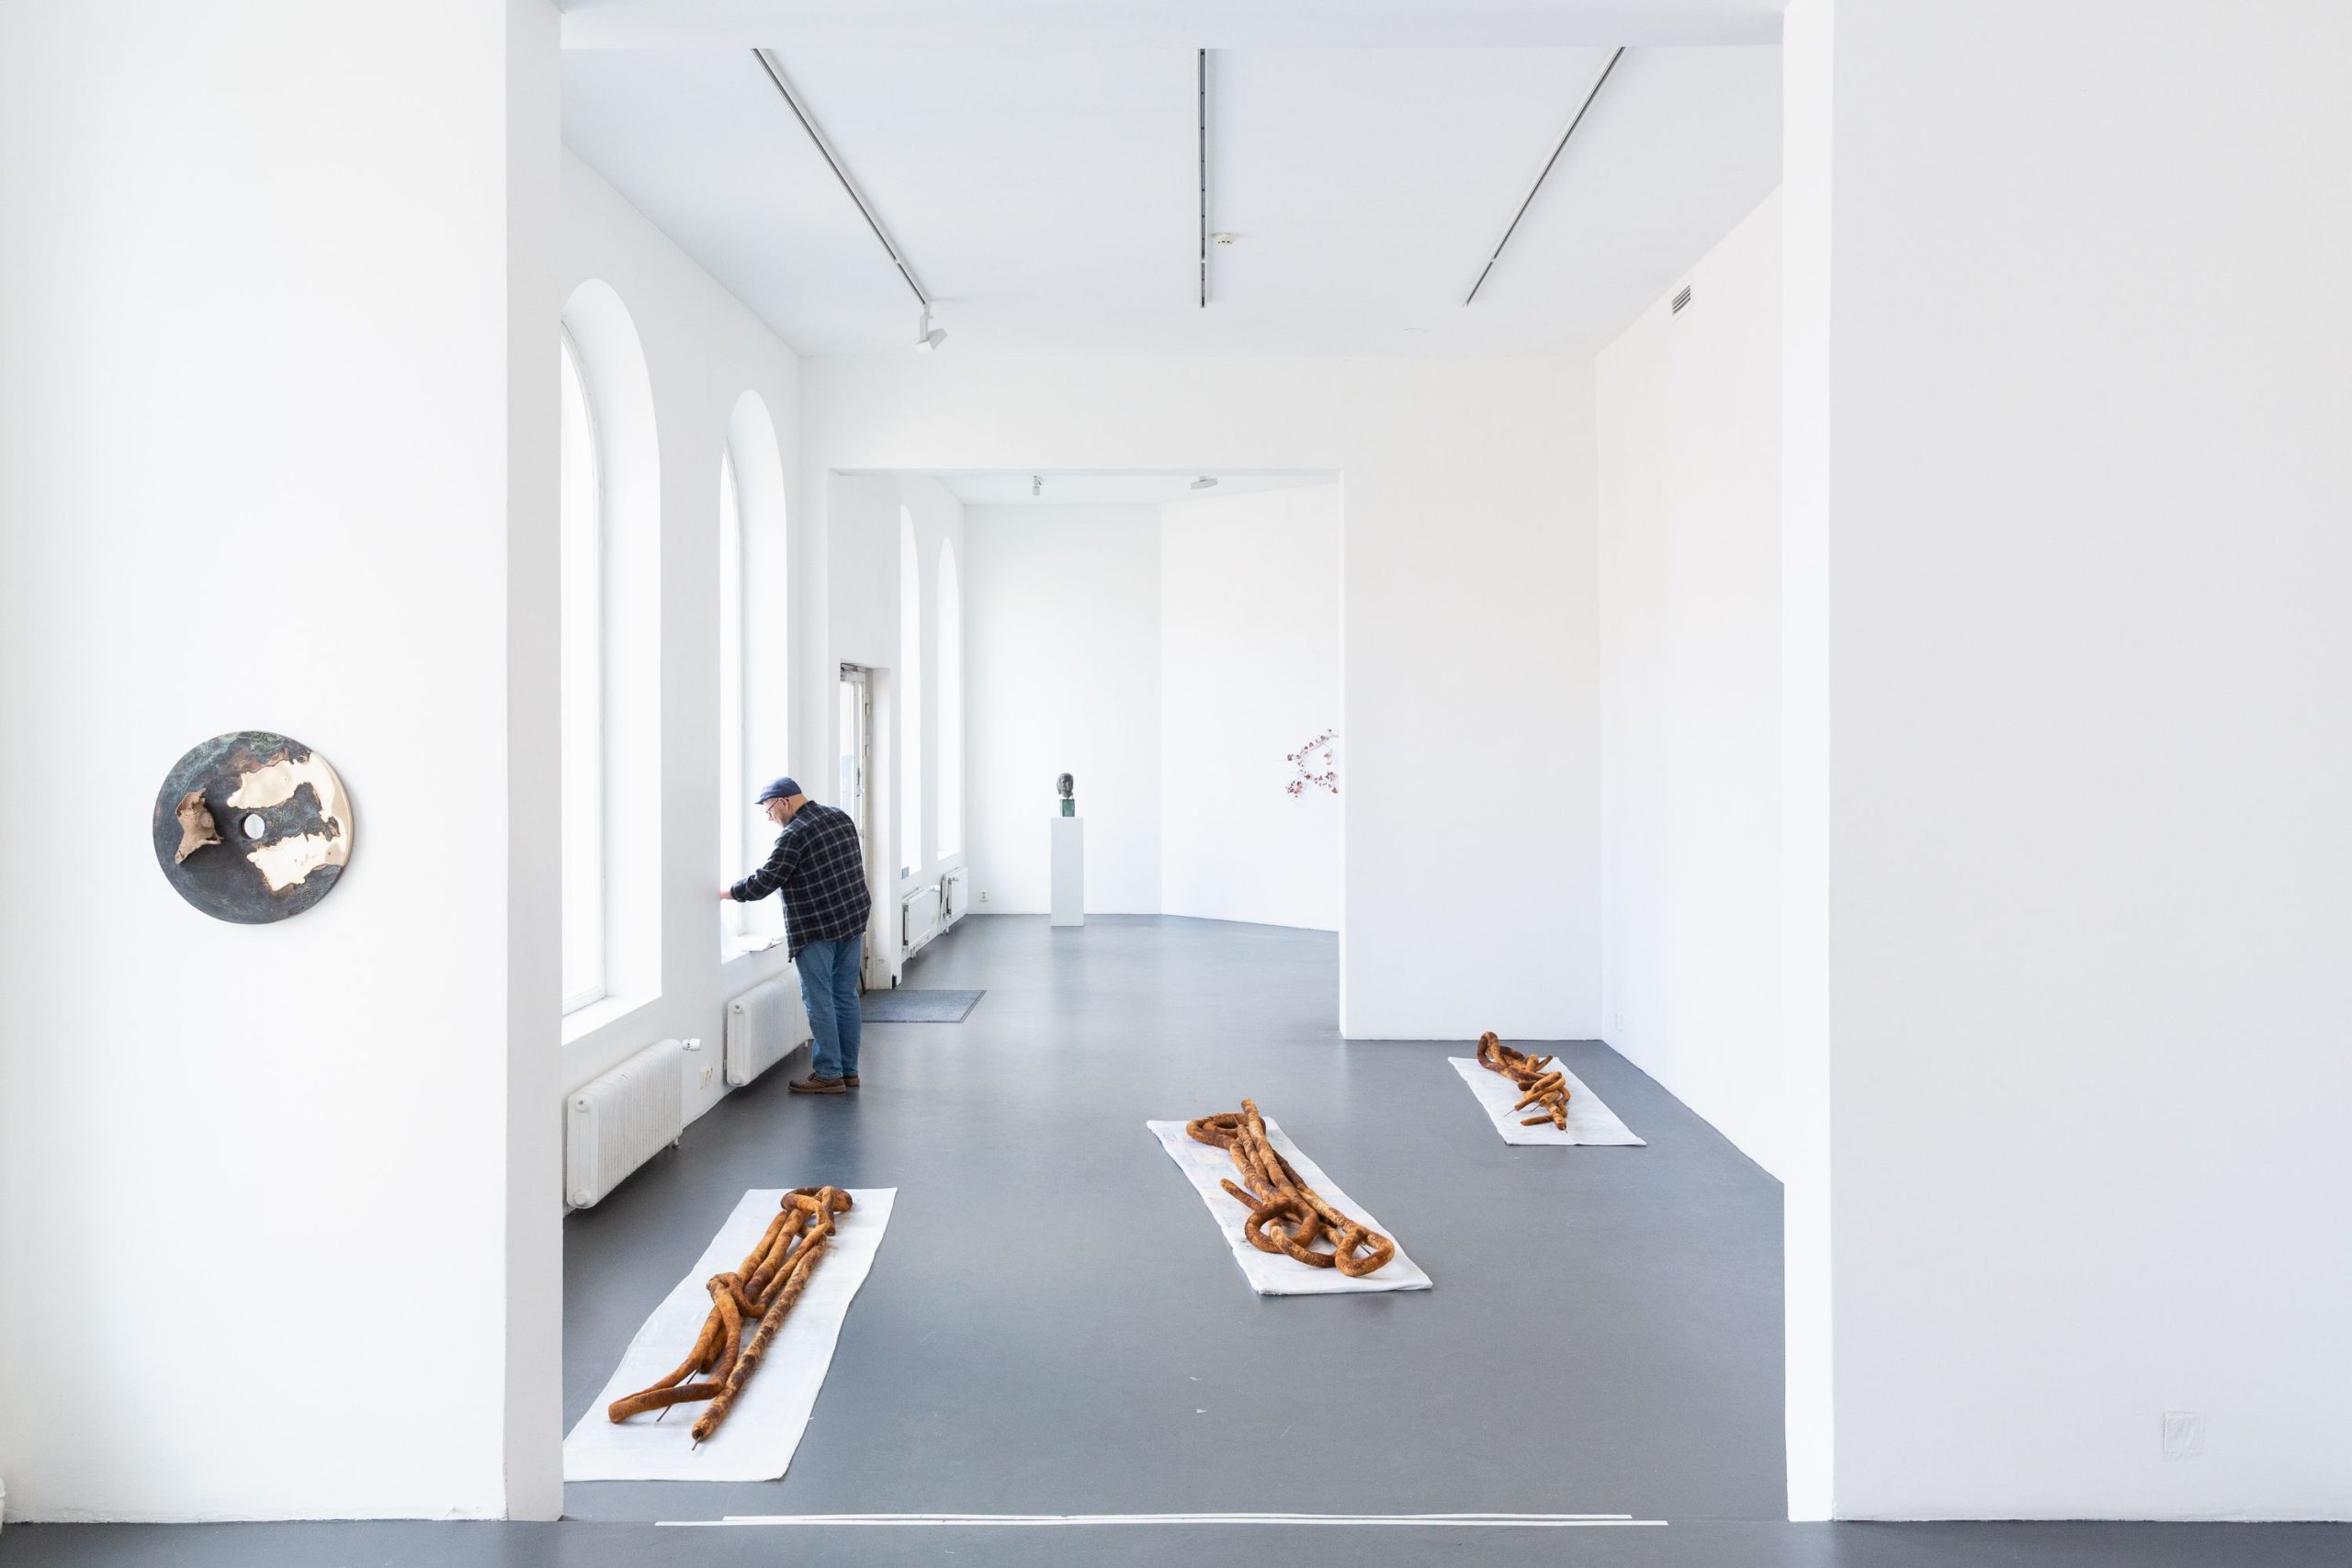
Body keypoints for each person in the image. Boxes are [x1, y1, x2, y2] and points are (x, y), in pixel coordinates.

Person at [721, 777, 873, 1095]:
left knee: (819, 999)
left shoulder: (794, 834)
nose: (770, 818)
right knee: (845, 996)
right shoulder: (839, 817)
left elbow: (766, 880)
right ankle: (849, 1070)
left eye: (769, 811)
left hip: (816, 928)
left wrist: (729, 893)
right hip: (852, 918)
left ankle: (829, 1074)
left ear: (785, 802)